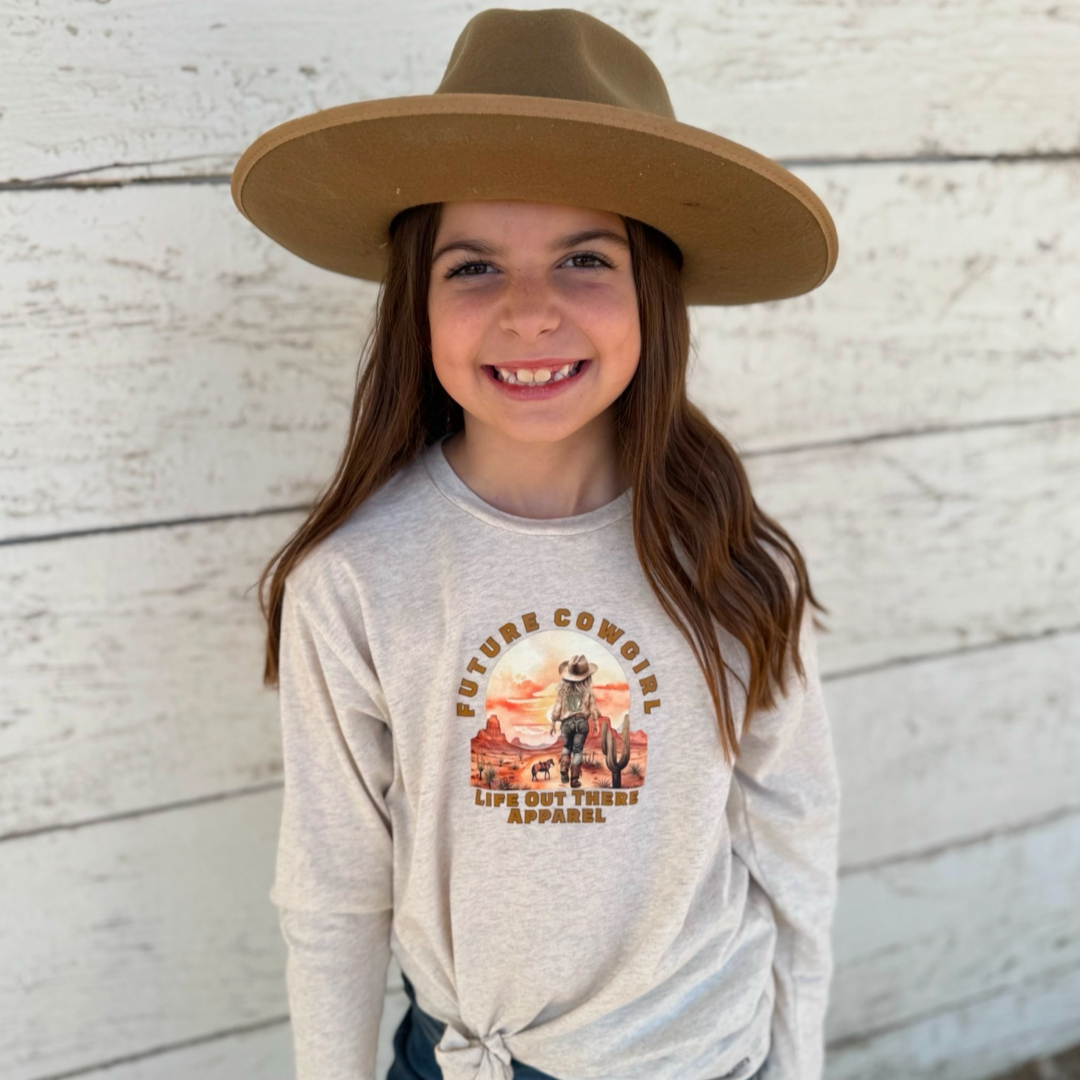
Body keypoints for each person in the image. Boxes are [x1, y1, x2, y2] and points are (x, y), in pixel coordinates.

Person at [232, 8, 842, 1080]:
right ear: (414, 304)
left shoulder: (733, 560)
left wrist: (795, 1060)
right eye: (472, 268)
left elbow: (794, 836)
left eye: (583, 259)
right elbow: (333, 890)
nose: (529, 313)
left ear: (653, 290)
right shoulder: (358, 581)